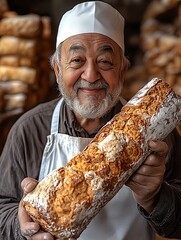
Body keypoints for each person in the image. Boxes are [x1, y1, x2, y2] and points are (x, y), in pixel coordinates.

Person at [0, 1, 181, 240]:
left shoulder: (158, 133)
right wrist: (22, 226)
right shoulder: (29, 129)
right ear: (57, 69)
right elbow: (2, 210)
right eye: (77, 61)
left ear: (123, 71)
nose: (91, 75)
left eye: (105, 62)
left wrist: (155, 197)